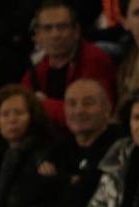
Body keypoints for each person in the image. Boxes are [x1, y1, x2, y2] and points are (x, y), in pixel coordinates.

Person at [18, 79, 125, 207]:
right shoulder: (62, 145)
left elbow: (86, 194)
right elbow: (29, 192)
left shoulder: (117, 144)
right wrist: (69, 181)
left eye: (88, 103)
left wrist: (57, 181)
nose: (79, 110)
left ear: (107, 109)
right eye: (72, 104)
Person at [20, 0, 116, 128]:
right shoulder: (38, 68)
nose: (55, 34)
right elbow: (22, 107)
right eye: (48, 28)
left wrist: (43, 105)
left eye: (62, 27)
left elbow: (92, 116)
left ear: (76, 31)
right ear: (37, 35)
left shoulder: (94, 59)